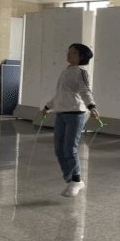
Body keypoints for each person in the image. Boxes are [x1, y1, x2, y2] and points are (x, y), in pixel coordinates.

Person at [42, 44, 100, 198]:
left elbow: (85, 91)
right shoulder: (65, 72)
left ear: (81, 56)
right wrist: (48, 106)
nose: (69, 54)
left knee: (69, 149)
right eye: (68, 51)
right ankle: (72, 180)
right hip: (61, 114)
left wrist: (92, 107)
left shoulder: (81, 72)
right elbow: (60, 95)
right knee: (59, 149)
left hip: (76, 114)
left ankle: (76, 180)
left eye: (74, 52)